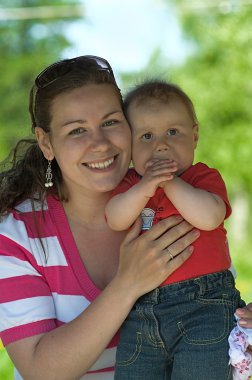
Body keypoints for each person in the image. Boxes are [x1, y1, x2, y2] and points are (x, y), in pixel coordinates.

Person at [0, 56, 200, 380]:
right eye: (77, 130)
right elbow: (38, 369)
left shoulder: (169, 197)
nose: (100, 144)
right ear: (46, 143)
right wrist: (127, 284)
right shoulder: (16, 235)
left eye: (110, 122)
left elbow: (212, 293)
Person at [105, 80, 245, 379]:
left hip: (205, 305)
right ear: (129, 148)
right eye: (146, 136)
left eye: (173, 132)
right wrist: (146, 185)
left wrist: (168, 180)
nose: (161, 144)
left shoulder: (201, 177)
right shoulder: (133, 185)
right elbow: (115, 218)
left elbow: (209, 217)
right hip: (141, 311)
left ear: (194, 136)